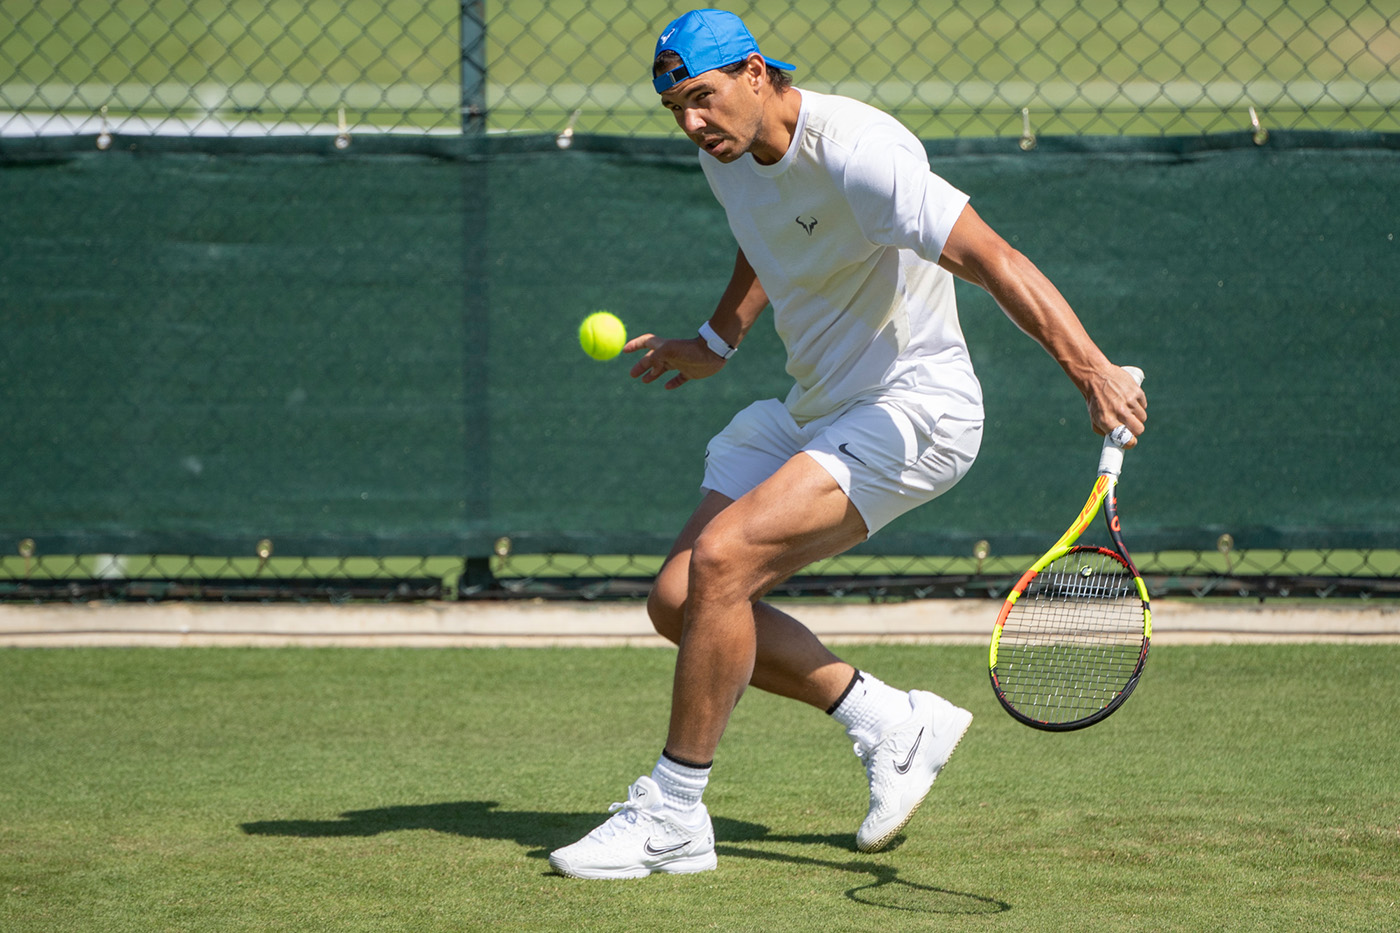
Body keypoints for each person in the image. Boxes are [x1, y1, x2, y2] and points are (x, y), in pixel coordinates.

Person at [548, 9, 1147, 880]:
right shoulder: (726, 151)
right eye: (676, 108)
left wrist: (1091, 370)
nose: (693, 123)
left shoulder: (861, 152)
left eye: (704, 97)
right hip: (819, 405)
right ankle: (889, 722)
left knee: (723, 560)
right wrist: (717, 339)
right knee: (679, 599)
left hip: (916, 410)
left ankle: (674, 813)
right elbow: (767, 236)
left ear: (757, 72)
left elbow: (992, 256)